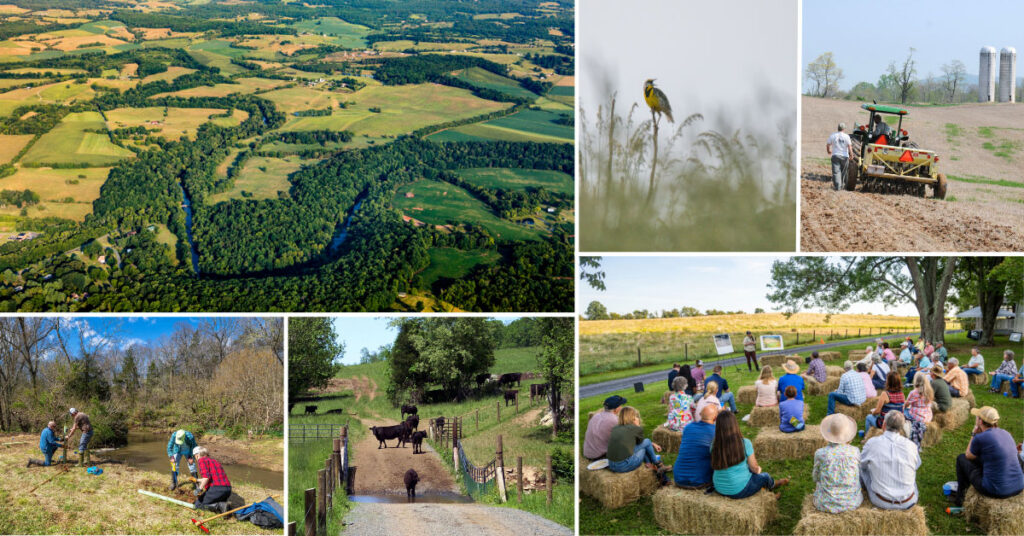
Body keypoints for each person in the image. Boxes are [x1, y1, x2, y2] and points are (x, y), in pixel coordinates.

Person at [952, 406, 1024, 507]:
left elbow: (968, 455)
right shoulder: (1006, 433)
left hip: (995, 490)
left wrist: (974, 433)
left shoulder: (980, 438)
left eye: (977, 417)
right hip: (1019, 486)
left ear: (980, 421)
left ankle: (960, 499)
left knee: (961, 458)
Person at [711, 411, 789, 499]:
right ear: (735, 425)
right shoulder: (745, 443)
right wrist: (758, 469)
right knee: (765, 476)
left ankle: (770, 487)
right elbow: (754, 469)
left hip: (719, 488)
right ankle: (772, 489)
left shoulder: (714, 445)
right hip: (739, 490)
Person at [861, 411, 921, 510]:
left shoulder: (872, 443)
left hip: (880, 501)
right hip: (909, 501)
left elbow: (862, 465)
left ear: (884, 425)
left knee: (862, 469)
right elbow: (917, 465)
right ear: (901, 427)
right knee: (912, 474)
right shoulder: (911, 445)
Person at [812, 414, 862, 513]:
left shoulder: (820, 453)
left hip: (825, 503)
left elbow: (815, 478)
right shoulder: (855, 451)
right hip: (852, 502)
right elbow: (858, 474)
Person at [607, 406, 664, 477]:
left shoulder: (616, 428)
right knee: (645, 445)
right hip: (623, 466)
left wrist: (651, 444)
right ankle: (657, 464)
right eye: (635, 416)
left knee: (645, 444)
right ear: (631, 418)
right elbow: (642, 442)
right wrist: (638, 426)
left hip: (612, 465)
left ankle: (650, 465)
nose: (637, 418)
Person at [673, 404, 718, 488]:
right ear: (715, 418)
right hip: (700, 480)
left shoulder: (688, 427)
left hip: (678, 478)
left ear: (700, 415)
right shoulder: (717, 431)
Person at [583, 395, 627, 460]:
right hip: (600, 456)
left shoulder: (596, 416)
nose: (621, 407)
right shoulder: (615, 420)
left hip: (588, 453)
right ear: (616, 409)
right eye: (620, 405)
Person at [194, 446, 232, 513]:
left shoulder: (201, 460)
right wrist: (197, 480)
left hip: (217, 489)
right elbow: (210, 477)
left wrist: (199, 489)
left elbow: (206, 478)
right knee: (212, 499)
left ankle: (220, 506)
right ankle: (223, 504)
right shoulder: (213, 461)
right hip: (227, 489)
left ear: (197, 455)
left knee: (198, 504)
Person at [904, 372, 934, 448]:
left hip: (917, 416)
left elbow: (906, 405)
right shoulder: (930, 391)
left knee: (903, 411)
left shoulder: (913, 392)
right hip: (928, 416)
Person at [827, 123, 852, 190]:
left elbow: (828, 144)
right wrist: (851, 155)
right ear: (844, 129)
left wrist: (828, 151)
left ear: (838, 128)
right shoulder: (847, 136)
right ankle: (842, 186)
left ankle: (838, 187)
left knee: (836, 172)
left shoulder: (833, 135)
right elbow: (849, 146)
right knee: (843, 172)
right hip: (845, 157)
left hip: (835, 156)